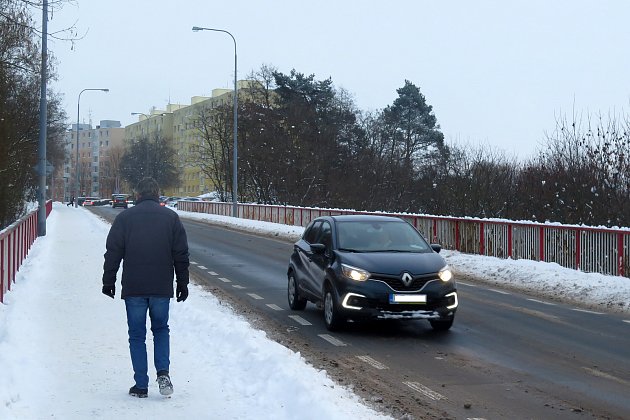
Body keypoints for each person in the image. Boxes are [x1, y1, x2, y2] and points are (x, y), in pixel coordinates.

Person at [102, 177, 190, 398]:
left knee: (136, 335)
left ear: (138, 195)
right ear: (158, 193)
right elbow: (181, 254)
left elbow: (113, 252)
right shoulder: (171, 218)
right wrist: (182, 282)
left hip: (134, 287)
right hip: (161, 286)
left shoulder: (125, 219)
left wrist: (108, 281)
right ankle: (163, 373)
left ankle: (141, 384)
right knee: (161, 330)